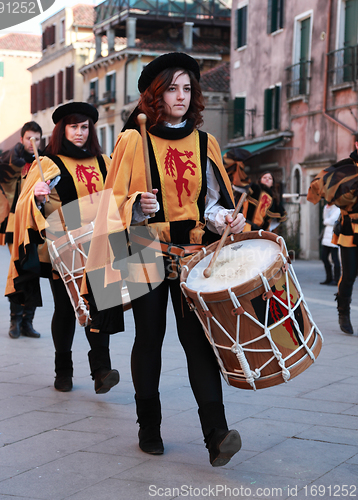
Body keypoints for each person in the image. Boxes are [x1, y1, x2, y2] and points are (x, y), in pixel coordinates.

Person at [85, 53, 245, 466]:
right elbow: (112, 204)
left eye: (187, 88)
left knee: (198, 342)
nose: (181, 96)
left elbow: (209, 202)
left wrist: (225, 216)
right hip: (143, 248)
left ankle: (217, 435)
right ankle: (148, 426)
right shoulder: (133, 139)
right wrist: (137, 206)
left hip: (191, 251)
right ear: (155, 94)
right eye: (172, 88)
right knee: (150, 335)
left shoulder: (205, 142)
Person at [5, 102, 123, 393]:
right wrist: (39, 197)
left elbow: (117, 200)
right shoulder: (47, 163)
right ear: (62, 129)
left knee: (101, 306)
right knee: (67, 309)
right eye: (74, 127)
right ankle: (63, 371)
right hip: (66, 247)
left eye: (85, 127)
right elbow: (26, 205)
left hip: (100, 246)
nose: (80, 133)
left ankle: (101, 371)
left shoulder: (105, 162)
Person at [0, 123, 43, 338]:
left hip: (37, 223)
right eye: (29, 138)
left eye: (36, 138)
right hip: (14, 223)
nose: (32, 142)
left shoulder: (44, 162)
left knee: (33, 270)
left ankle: (28, 320)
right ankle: (15, 320)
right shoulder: (6, 161)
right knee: (18, 269)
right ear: (22, 139)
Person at [308, 141, 358, 335]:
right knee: (349, 274)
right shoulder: (345, 165)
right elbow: (320, 185)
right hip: (349, 229)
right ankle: (343, 311)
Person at [320, 203, 341, 286]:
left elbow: (332, 221)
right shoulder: (330, 208)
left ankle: (336, 279)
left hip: (334, 236)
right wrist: (326, 208)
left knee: (334, 258)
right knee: (324, 257)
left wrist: (326, 221)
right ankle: (329, 278)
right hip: (326, 237)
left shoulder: (338, 209)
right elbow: (325, 219)